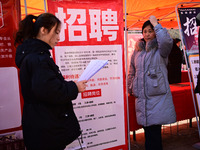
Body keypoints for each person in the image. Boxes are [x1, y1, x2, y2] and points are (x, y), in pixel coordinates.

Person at [14, 13, 87, 150]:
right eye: (57, 32)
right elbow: (51, 91)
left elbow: (46, 86)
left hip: (39, 125)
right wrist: (74, 87)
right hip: (46, 129)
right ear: (43, 30)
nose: (58, 38)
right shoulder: (38, 59)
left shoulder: (32, 56)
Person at [128, 15, 176, 150]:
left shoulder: (161, 50)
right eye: (145, 31)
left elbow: (166, 41)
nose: (147, 34)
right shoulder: (138, 51)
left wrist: (157, 24)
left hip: (157, 99)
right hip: (142, 100)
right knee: (148, 133)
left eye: (150, 30)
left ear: (155, 32)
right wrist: (130, 87)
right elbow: (132, 70)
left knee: (154, 134)